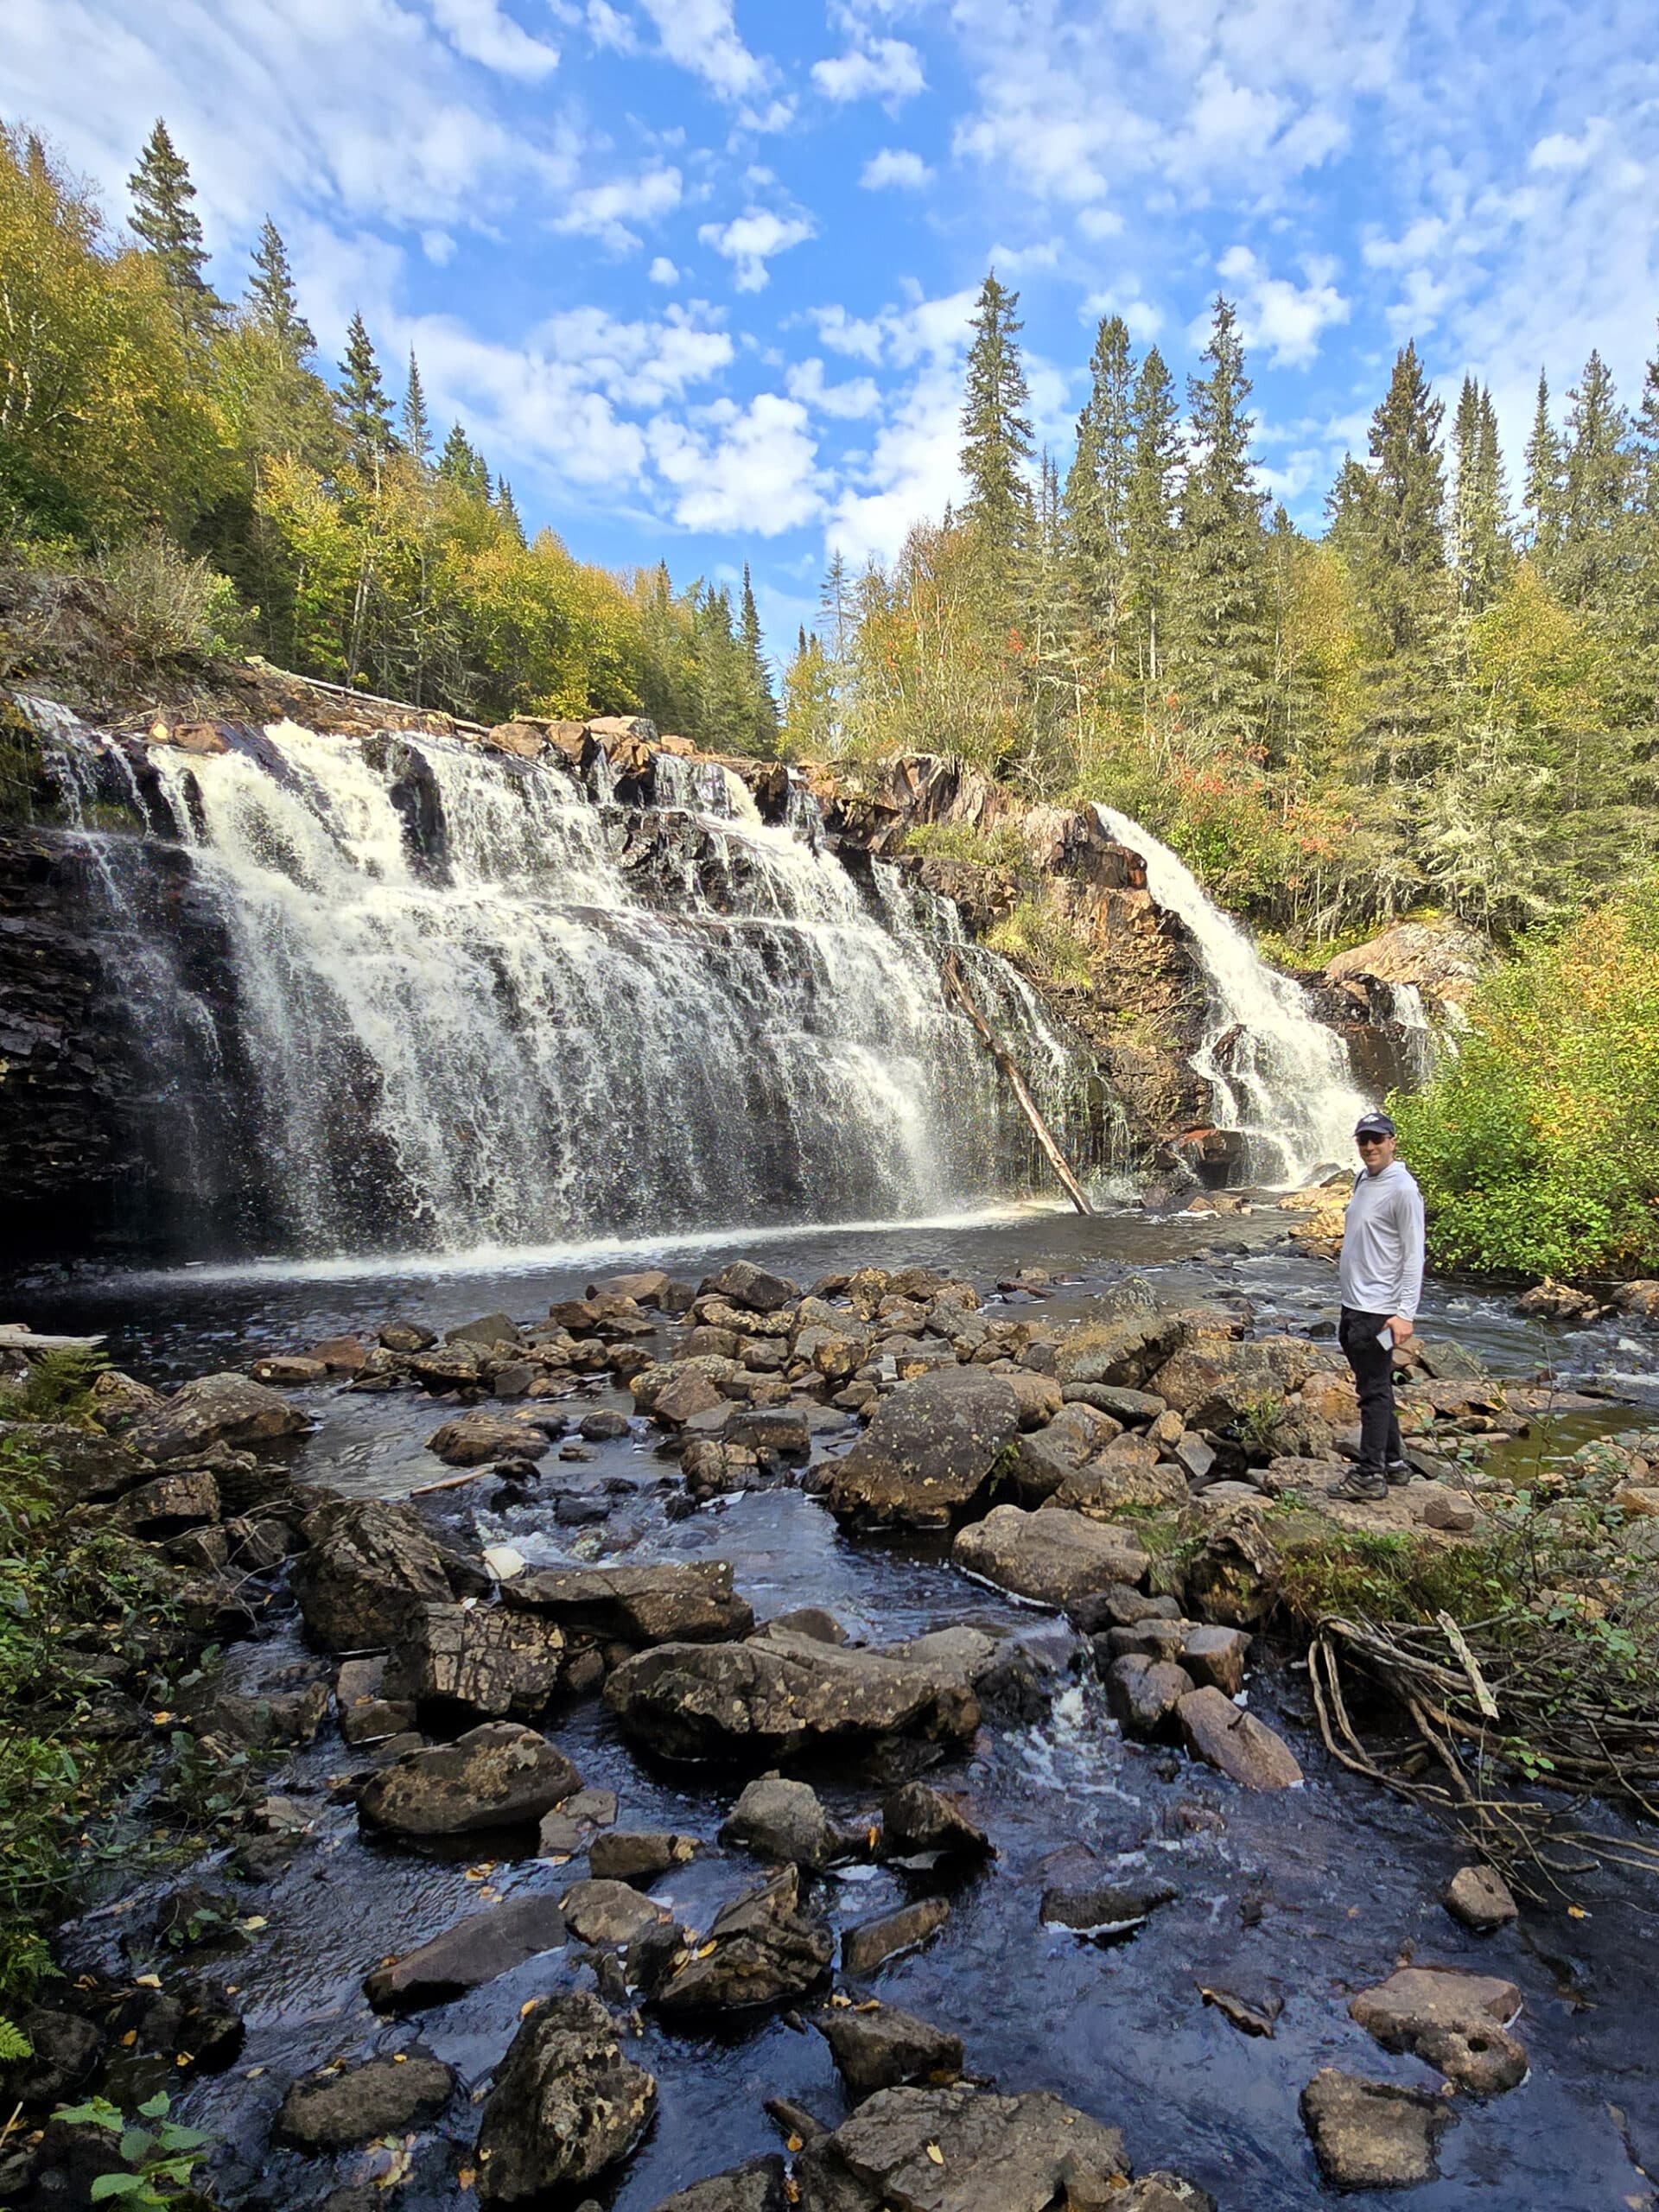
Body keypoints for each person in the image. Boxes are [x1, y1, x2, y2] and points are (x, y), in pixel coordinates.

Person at [1330, 1110, 1425, 1503]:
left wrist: (1405, 1313)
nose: (1370, 1147)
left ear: (1392, 1142)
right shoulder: (1363, 1179)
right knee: (1378, 1382)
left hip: (1379, 1310)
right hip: (1354, 1304)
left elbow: (1414, 1254)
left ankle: (1370, 1474)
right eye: (1363, 1141)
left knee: (1373, 1390)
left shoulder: (1402, 1189)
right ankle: (1394, 1462)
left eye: (1377, 1139)